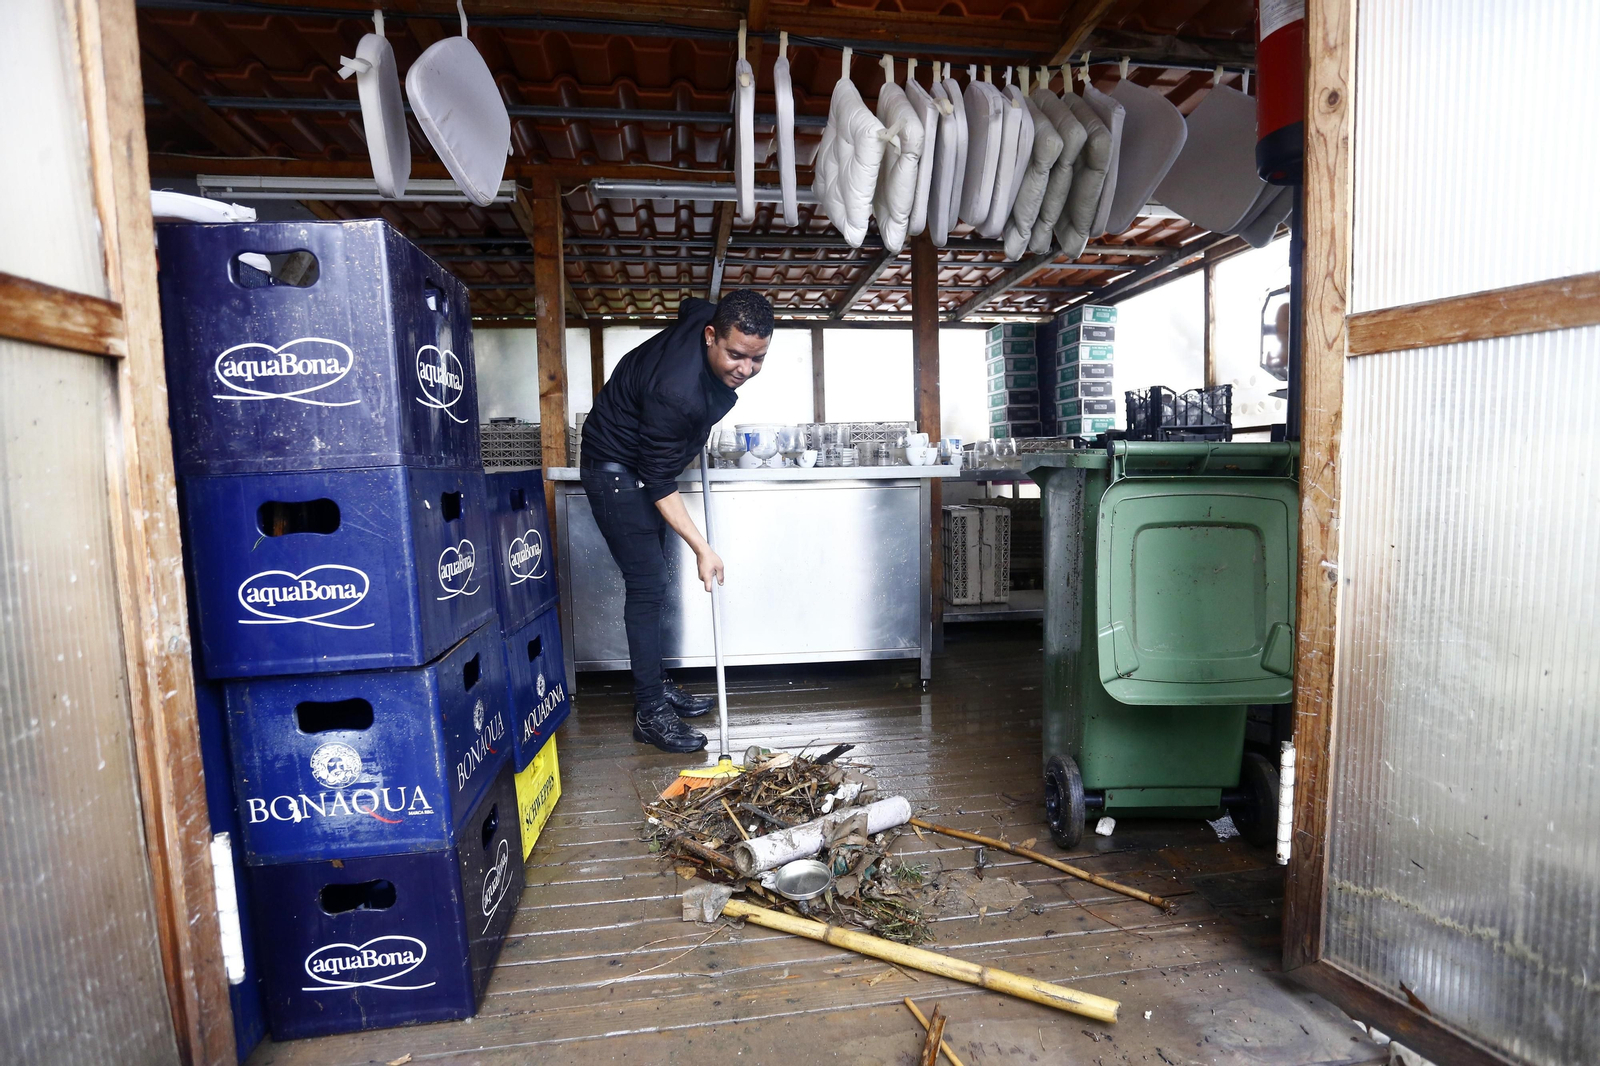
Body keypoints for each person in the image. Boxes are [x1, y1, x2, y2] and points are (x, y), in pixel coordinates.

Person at [578, 290, 773, 752]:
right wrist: (703, 548)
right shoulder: (676, 393)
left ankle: (657, 684)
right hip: (615, 470)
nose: (745, 369)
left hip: (640, 466)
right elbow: (659, 480)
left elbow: (689, 304)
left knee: (654, 582)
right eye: (735, 355)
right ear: (710, 336)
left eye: (758, 358)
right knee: (647, 584)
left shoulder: (706, 317)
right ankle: (649, 712)